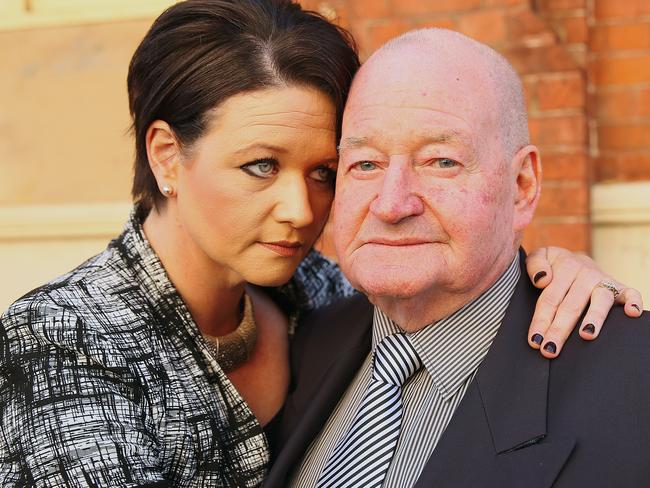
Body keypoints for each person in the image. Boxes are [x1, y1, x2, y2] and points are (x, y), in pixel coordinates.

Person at [0, 2, 641, 487]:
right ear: (167, 156)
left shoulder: (319, 293)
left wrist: (550, 267)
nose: (303, 210)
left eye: (324, 171)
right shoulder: (58, 340)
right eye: (260, 166)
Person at [266, 29, 650, 488]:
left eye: (441, 161)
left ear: (522, 186)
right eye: (365, 164)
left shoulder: (635, 385)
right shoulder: (304, 338)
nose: (390, 205)